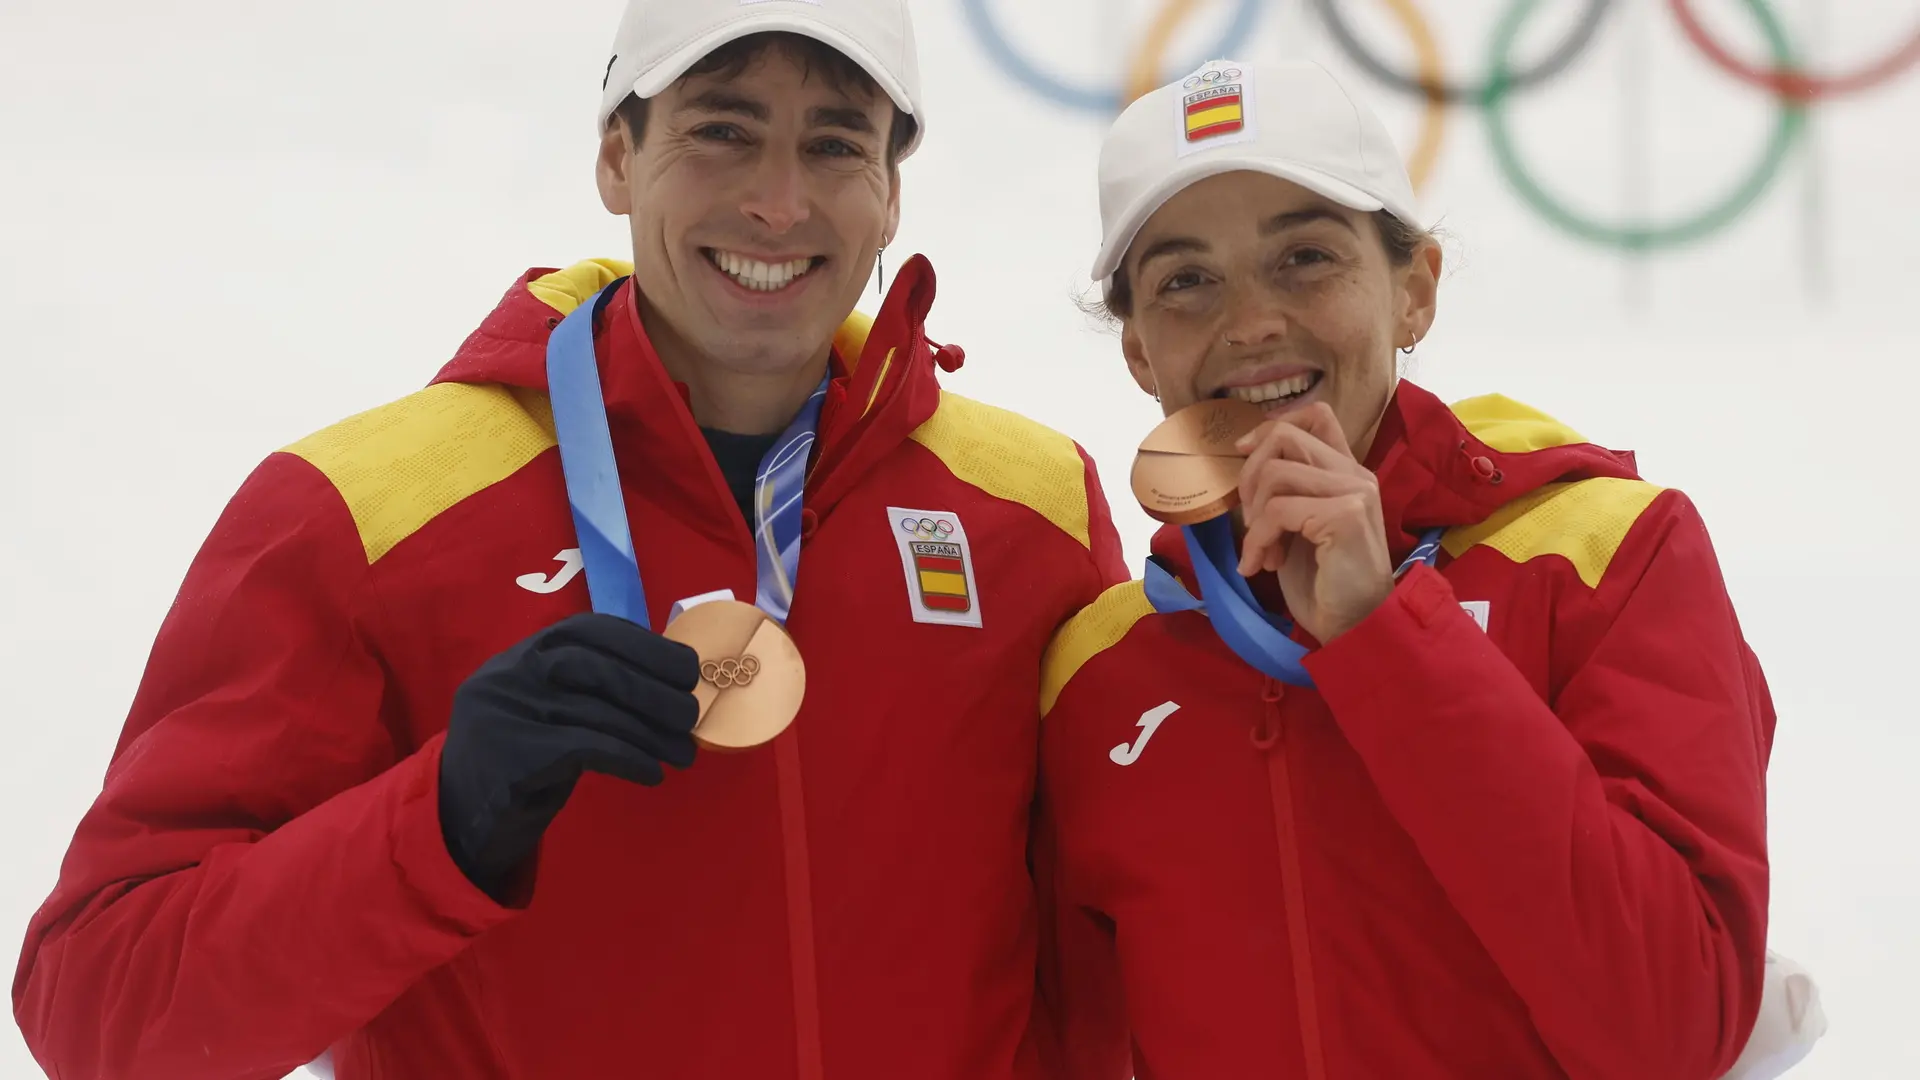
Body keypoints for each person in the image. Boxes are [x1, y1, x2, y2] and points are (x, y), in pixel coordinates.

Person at [12, 3, 1128, 1078]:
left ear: (889, 197)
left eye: (835, 145)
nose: (779, 204)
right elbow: (99, 1010)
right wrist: (437, 822)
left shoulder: (1033, 514)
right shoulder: (363, 513)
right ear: (615, 158)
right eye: (721, 130)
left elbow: (1118, 960)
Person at [1033, 58, 1820, 1079]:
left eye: (1306, 257)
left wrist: (1387, 637)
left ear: (1415, 292)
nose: (1254, 322)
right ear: (1139, 352)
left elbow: (1672, 1024)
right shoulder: (1100, 670)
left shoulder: (1606, 560)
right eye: (1186, 281)